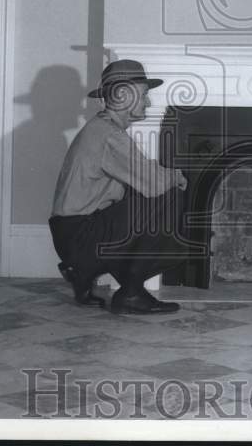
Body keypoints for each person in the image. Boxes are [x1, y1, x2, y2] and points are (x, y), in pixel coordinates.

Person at [48, 59, 189, 315]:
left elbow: (141, 177)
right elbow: (155, 183)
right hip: (80, 234)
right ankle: (130, 294)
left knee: (150, 194)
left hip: (73, 232)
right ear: (124, 95)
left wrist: (163, 175)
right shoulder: (109, 135)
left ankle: (83, 272)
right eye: (145, 95)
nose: (148, 102)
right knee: (168, 195)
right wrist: (177, 175)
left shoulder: (102, 129)